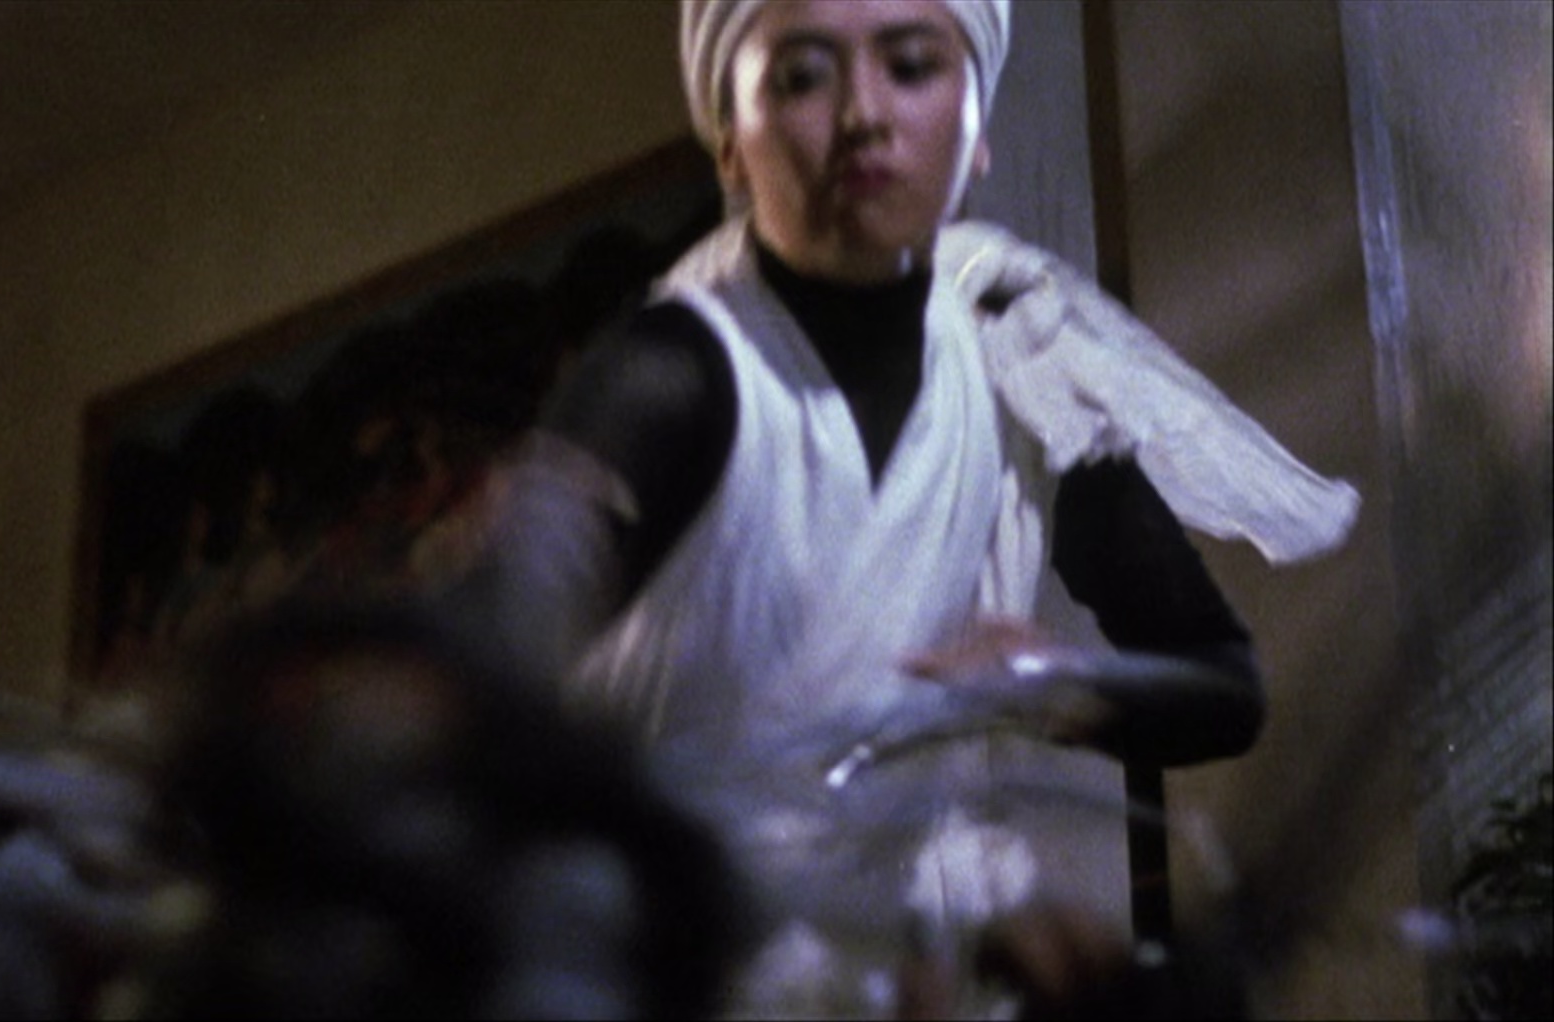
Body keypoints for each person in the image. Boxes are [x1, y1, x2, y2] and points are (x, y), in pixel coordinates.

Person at [439, 0, 1359, 1013]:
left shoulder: (1011, 355)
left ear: (977, 129)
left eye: (913, 66)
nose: (864, 115)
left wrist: (1054, 683)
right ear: (732, 142)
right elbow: (484, 650)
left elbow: (1224, 685)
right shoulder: (677, 374)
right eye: (803, 76)